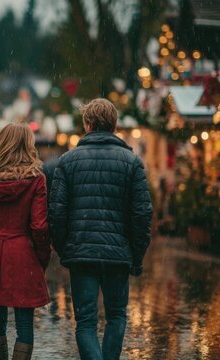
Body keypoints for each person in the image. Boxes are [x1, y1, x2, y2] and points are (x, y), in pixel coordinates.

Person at [49, 99, 153, 360]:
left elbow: (57, 213)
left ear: (87, 124)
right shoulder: (132, 162)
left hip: (81, 253)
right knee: (116, 315)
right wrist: (136, 256)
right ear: (114, 124)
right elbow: (142, 214)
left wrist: (65, 248)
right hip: (118, 254)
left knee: (85, 321)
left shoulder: (67, 161)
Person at [0, 123, 51, 360]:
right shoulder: (36, 178)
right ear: (28, 144)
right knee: (25, 322)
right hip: (24, 253)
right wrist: (42, 258)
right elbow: (39, 226)